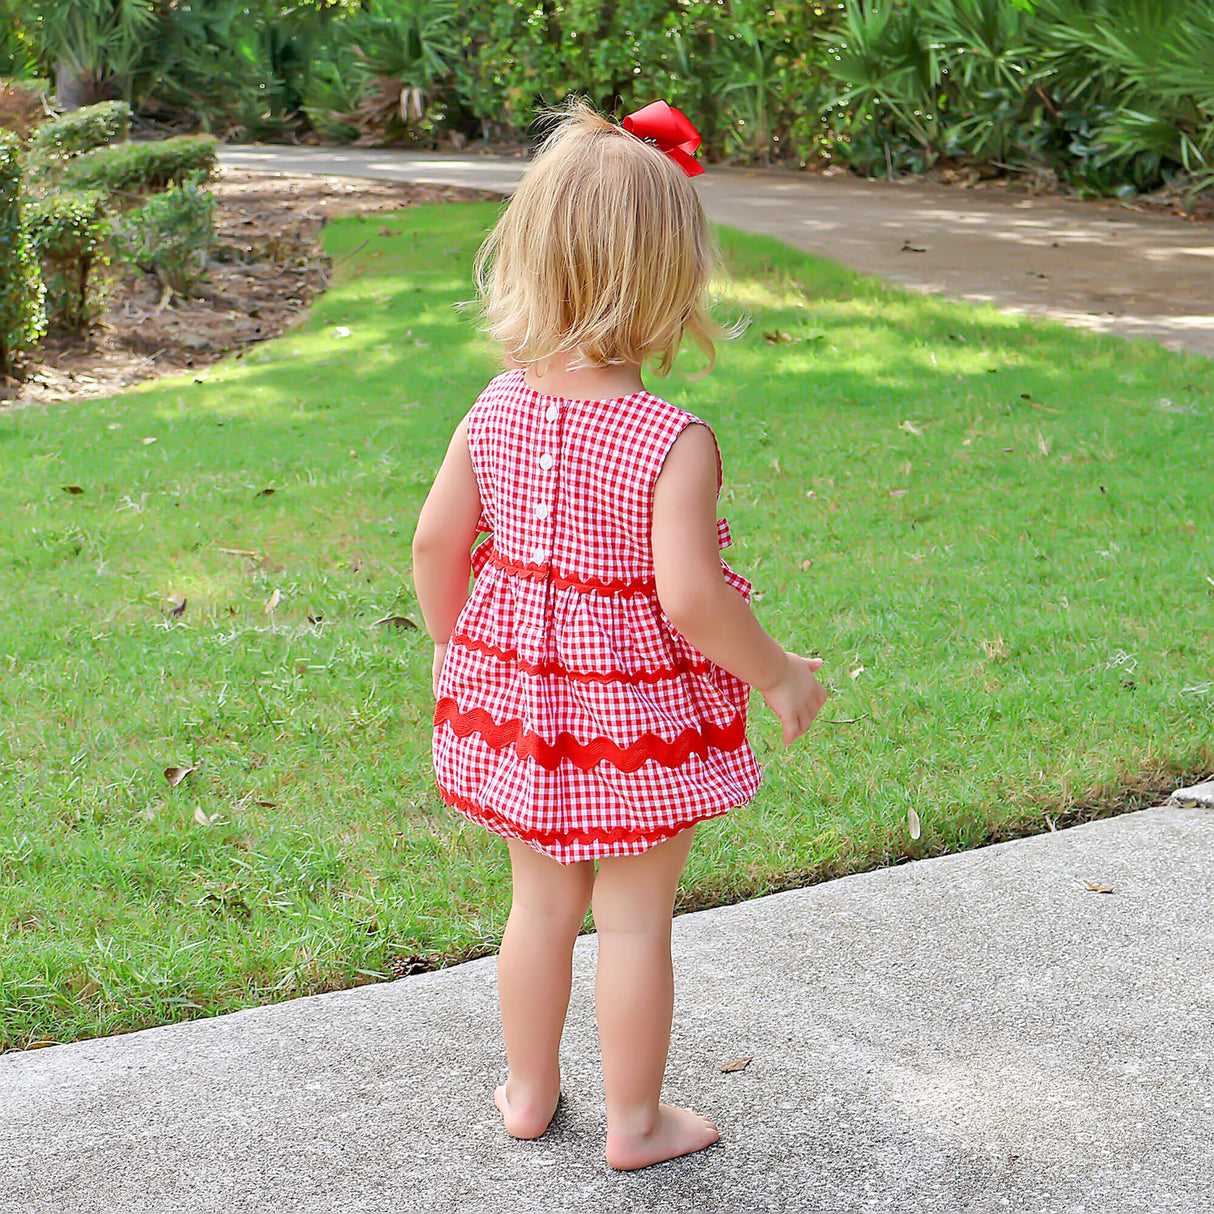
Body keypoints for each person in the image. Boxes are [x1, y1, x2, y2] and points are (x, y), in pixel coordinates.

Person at [411, 97, 829, 1171]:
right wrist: (777, 673)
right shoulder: (667, 438)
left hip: (519, 716)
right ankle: (635, 1124)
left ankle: (529, 1090)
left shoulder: (492, 406)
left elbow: (432, 545)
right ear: (666, 281)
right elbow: (688, 597)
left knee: (538, 905)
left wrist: (471, 662)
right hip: (635, 724)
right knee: (634, 921)